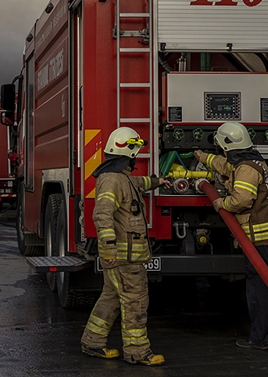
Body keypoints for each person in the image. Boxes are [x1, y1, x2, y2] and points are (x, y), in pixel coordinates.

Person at [194, 121, 268, 350]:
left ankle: (260, 339)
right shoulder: (251, 162)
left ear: (226, 146)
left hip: (260, 238)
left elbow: (241, 201)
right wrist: (204, 157)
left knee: (259, 291)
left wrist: (219, 202)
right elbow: (225, 166)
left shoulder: (245, 169)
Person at [81, 127, 170, 366]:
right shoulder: (112, 180)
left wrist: (158, 181)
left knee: (111, 297)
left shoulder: (120, 178)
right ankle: (138, 351)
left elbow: (137, 183)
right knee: (135, 301)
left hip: (123, 257)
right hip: (124, 258)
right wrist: (109, 251)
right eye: (135, 154)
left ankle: (92, 340)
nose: (136, 158)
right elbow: (102, 215)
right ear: (127, 155)